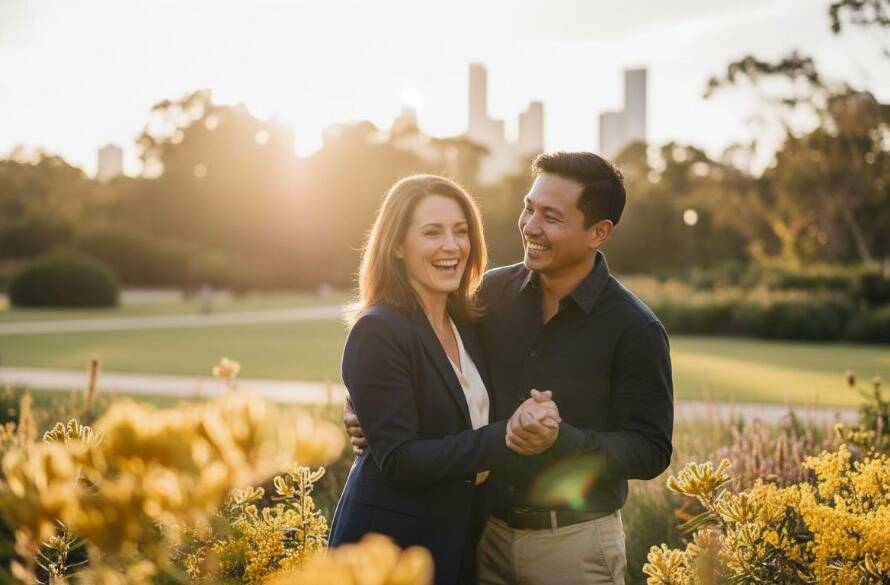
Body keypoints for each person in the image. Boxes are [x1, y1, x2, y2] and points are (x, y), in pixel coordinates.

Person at [345, 152, 674, 585]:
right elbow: (419, 363)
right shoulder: (487, 296)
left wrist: (562, 440)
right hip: (480, 537)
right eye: (529, 207)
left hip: (573, 545)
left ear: (599, 232)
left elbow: (651, 450)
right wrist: (368, 411)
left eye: (550, 217)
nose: (531, 226)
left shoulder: (634, 328)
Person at [329, 174, 561, 585]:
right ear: (397, 245)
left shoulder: (467, 323)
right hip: (387, 550)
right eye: (432, 233)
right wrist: (506, 435)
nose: (451, 246)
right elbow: (401, 460)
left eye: (461, 231)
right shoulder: (379, 330)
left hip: (456, 541)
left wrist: (534, 416)